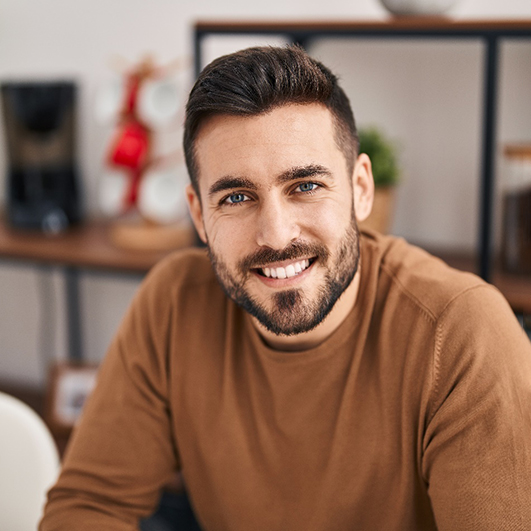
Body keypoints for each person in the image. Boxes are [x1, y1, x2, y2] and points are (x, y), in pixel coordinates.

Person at [40, 45, 531, 531]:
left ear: (360, 189)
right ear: (199, 216)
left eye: (306, 186)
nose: (275, 235)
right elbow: (88, 506)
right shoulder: (172, 303)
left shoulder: (463, 333)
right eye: (236, 196)